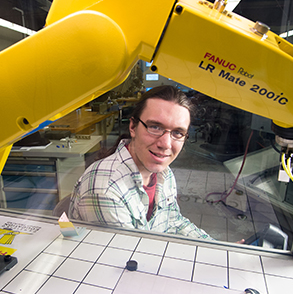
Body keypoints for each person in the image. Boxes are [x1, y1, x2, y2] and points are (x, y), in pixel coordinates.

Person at [69, 85, 212, 239]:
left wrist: (215, 249)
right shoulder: (106, 190)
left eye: (178, 132)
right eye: (155, 127)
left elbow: (174, 222)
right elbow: (129, 256)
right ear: (133, 127)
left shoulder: (164, 173)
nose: (165, 144)